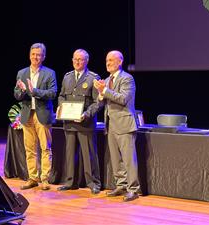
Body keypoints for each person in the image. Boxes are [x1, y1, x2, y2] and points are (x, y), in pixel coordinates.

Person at [93, 50, 140, 201]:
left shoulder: (127, 79)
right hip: (111, 124)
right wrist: (100, 94)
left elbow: (123, 99)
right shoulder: (106, 80)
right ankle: (121, 185)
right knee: (115, 159)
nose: (108, 63)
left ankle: (133, 189)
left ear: (120, 62)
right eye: (107, 60)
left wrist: (104, 91)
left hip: (124, 123)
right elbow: (102, 102)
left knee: (128, 159)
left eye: (111, 60)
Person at [57, 49, 101, 194]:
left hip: (85, 123)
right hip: (69, 122)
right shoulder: (67, 77)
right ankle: (70, 182)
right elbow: (62, 96)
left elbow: (98, 102)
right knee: (70, 154)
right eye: (75, 59)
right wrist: (61, 107)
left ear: (86, 61)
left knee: (89, 155)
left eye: (80, 59)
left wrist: (86, 114)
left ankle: (93, 183)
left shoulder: (93, 78)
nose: (77, 61)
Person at [14, 42, 57, 191]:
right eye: (33, 54)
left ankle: (45, 179)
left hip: (42, 114)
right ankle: (32, 178)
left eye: (38, 55)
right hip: (27, 114)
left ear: (43, 57)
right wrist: (22, 91)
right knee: (30, 149)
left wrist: (35, 91)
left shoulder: (49, 73)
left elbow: (52, 93)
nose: (35, 57)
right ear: (29, 55)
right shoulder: (22, 73)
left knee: (45, 148)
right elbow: (17, 95)